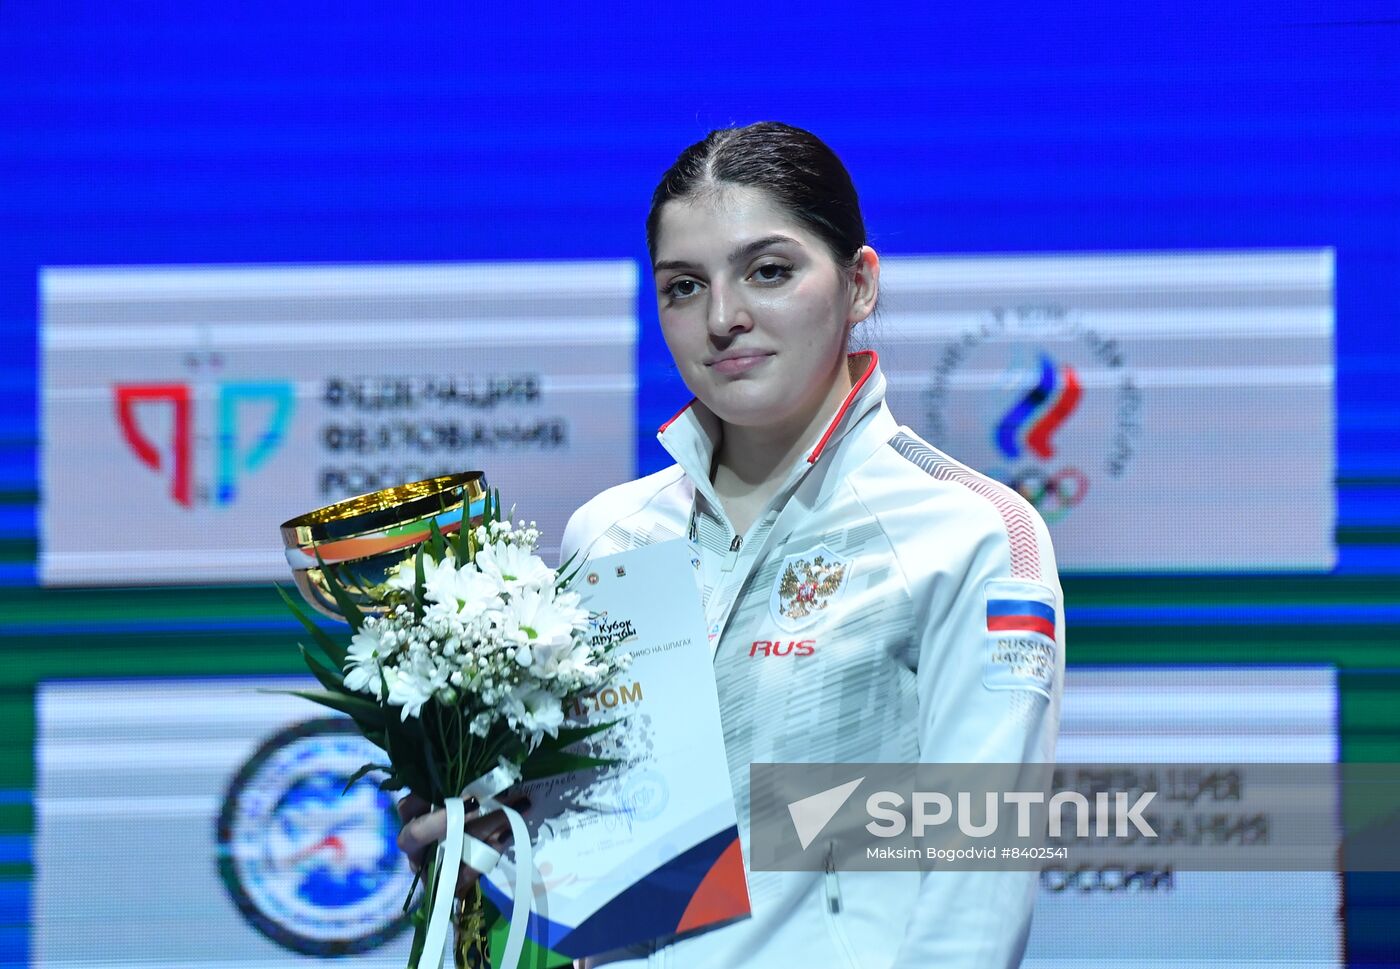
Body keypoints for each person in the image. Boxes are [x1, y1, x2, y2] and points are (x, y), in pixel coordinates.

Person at [399, 121, 1064, 968]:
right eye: (683, 286)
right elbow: (615, 876)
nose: (723, 318)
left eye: (770, 270)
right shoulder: (611, 533)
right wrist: (488, 843)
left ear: (860, 284)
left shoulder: (969, 533)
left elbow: (975, 895)